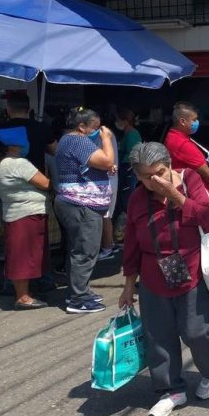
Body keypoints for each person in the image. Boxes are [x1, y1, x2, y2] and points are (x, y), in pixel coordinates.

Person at [119, 142, 209, 416]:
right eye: (145, 177)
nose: (153, 181)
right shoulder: (137, 199)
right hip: (153, 273)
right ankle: (170, 390)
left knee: (196, 331)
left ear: (169, 165)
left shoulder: (191, 179)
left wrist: (175, 195)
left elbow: (207, 216)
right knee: (159, 336)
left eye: (158, 173)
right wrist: (129, 284)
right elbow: (132, 243)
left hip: (191, 269)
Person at [55, 108, 115, 313]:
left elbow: (92, 165)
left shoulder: (66, 140)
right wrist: (107, 139)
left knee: (77, 250)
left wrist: (105, 167)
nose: (98, 132)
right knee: (85, 252)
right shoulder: (78, 141)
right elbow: (108, 161)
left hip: (74, 202)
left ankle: (81, 292)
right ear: (82, 127)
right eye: (95, 128)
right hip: (82, 205)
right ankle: (78, 299)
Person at [0, 129, 51, 310]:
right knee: (24, 256)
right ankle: (23, 297)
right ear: (13, 146)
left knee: (20, 254)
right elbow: (45, 183)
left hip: (15, 212)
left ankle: (24, 293)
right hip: (26, 214)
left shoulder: (1, 164)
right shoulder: (18, 163)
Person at [0, 92, 57, 170]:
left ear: (8, 109)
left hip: (5, 178)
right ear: (28, 109)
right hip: (35, 179)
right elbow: (55, 151)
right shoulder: (42, 127)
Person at [164, 102, 209, 187]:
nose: (197, 122)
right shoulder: (183, 144)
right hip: (195, 192)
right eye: (194, 120)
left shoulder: (171, 136)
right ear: (182, 121)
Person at [98, 129, 120, 260]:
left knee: (105, 216)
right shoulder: (108, 135)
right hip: (109, 180)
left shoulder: (104, 136)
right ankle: (109, 245)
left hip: (106, 181)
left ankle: (107, 248)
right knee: (106, 216)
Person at [115, 108, 142, 215]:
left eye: (119, 120)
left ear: (125, 121)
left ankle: (129, 215)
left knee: (127, 194)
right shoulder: (128, 134)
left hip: (129, 168)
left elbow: (132, 153)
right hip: (126, 167)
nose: (118, 123)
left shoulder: (132, 134)